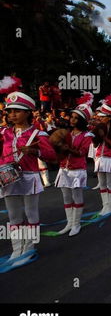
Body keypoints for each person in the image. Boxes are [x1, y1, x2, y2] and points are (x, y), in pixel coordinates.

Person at [0, 92, 56, 269]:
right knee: (13, 215)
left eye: (17, 110)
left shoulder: (38, 134)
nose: (12, 114)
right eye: (10, 111)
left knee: (31, 214)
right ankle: (17, 249)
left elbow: (52, 155)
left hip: (29, 177)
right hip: (8, 177)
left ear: (28, 112)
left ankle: (29, 247)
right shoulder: (3, 133)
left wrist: (35, 152)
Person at [54, 94, 94, 236]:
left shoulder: (87, 136)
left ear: (82, 121)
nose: (72, 119)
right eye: (72, 117)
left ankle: (76, 224)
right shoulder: (66, 133)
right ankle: (69, 223)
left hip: (77, 170)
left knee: (77, 197)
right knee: (66, 198)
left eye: (77, 118)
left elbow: (81, 153)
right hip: (63, 168)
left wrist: (67, 148)